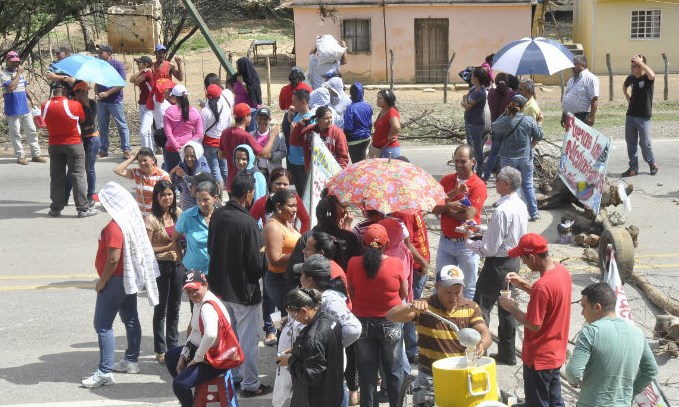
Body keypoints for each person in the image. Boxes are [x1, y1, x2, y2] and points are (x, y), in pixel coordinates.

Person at [82, 181, 159, 387]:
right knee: (130, 318)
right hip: (128, 278)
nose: (102, 205)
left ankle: (105, 371)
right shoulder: (128, 222)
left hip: (115, 280)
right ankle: (131, 361)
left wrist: (102, 282)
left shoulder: (114, 227)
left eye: (104, 202)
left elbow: (113, 259)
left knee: (102, 325)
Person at [387, 265, 492, 404]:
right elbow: (391, 316)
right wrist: (411, 306)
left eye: (457, 292)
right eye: (449, 292)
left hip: (461, 373)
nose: (454, 297)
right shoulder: (425, 307)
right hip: (431, 374)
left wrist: (481, 344)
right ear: (437, 286)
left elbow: (485, 333)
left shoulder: (471, 307)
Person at [207, 172, 272, 397]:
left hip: (221, 289)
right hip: (244, 292)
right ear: (248, 194)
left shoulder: (217, 216)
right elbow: (256, 263)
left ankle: (235, 377)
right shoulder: (248, 223)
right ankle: (250, 384)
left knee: (231, 336)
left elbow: (211, 247)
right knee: (248, 339)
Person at [499, 233, 572, 407]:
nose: (523, 263)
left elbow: (534, 324)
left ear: (532, 257)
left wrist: (511, 307)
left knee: (538, 403)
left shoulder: (542, 286)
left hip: (539, 358)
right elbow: (549, 299)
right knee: (555, 401)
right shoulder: (561, 272)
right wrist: (522, 284)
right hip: (555, 353)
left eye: (523, 258)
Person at [466, 166, 527, 365]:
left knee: (481, 306)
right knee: (507, 308)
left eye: (498, 179)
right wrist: (480, 228)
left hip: (497, 265)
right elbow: (502, 232)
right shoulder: (520, 205)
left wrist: (468, 240)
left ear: (507, 184)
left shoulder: (501, 211)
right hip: (513, 262)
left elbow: (489, 248)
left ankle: (478, 349)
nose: (495, 181)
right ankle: (508, 353)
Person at [565, 282, 658, 407]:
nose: (582, 313)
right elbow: (651, 370)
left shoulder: (591, 331)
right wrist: (631, 392)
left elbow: (573, 373)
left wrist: (574, 381)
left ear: (597, 307)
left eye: (584, 307)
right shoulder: (637, 332)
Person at [346, 223, 407, 407]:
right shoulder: (396, 264)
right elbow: (403, 294)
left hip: (362, 323)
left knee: (366, 372)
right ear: (386, 242)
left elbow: (352, 292)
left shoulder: (353, 263)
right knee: (394, 370)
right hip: (391, 322)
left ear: (363, 243)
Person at [165, 271, 234, 407]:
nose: (192, 295)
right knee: (171, 356)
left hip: (215, 359)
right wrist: (183, 355)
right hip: (205, 352)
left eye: (195, 290)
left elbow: (210, 335)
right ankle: (190, 397)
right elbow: (195, 332)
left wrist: (196, 358)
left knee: (179, 385)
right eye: (188, 292)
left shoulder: (207, 306)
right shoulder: (201, 301)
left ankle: (189, 402)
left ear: (205, 285)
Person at [432, 145, 487, 299]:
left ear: (473, 162)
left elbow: (468, 216)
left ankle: (465, 321)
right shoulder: (447, 180)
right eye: (456, 161)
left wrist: (444, 209)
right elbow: (434, 207)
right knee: (440, 284)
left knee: (468, 287)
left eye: (463, 161)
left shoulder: (478, 185)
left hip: (467, 244)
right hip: (445, 242)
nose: (459, 165)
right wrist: (450, 203)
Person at [276, 288, 344, 406]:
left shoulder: (313, 337)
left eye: (293, 315)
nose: (293, 319)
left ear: (304, 311)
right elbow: (325, 351)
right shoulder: (332, 320)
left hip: (315, 400)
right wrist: (297, 349)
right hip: (333, 391)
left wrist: (290, 360)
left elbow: (310, 376)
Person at [43, 82, 98, 218]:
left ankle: (56, 208)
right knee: (78, 174)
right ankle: (82, 209)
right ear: (67, 92)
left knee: (56, 176)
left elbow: (42, 122)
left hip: (54, 144)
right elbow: (84, 120)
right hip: (73, 143)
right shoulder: (74, 105)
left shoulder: (45, 105)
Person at [146, 180, 183, 364]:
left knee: (175, 308)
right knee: (161, 309)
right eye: (163, 195)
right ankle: (160, 349)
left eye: (169, 194)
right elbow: (147, 248)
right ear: (157, 197)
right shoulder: (151, 219)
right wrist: (169, 246)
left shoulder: (178, 213)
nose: (167, 198)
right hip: (160, 266)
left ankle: (173, 346)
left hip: (177, 265)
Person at [493, 94, 543, 222]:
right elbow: (539, 134)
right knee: (527, 185)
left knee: (508, 187)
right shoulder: (529, 120)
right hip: (525, 157)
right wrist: (540, 122)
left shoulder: (505, 120)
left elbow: (494, 126)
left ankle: (510, 214)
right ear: (523, 107)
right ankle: (534, 213)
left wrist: (503, 114)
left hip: (508, 158)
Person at [219, 102, 276, 191]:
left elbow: (221, 155)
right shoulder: (246, 136)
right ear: (246, 117)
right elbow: (264, 154)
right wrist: (272, 136)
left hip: (231, 182)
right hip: (245, 183)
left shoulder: (225, 132)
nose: (251, 118)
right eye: (250, 115)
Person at [263, 190, 301, 320]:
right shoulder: (273, 227)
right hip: (280, 281)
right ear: (278, 207)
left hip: (292, 277)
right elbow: (275, 260)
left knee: (293, 319)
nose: (295, 209)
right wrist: (300, 253)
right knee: (289, 319)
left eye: (296, 205)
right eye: (291, 206)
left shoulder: (287, 222)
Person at [2, 50, 45, 165]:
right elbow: (11, 87)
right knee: (16, 133)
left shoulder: (19, 73)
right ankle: (20, 156)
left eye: (17, 61)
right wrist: (18, 74)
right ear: (7, 61)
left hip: (25, 108)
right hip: (12, 110)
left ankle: (36, 154)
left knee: (32, 131)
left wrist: (31, 99)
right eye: (13, 62)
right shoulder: (4, 74)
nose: (15, 64)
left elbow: (24, 87)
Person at [173, 180, 220, 276]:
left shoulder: (222, 216)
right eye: (198, 200)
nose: (202, 203)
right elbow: (175, 239)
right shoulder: (187, 216)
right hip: (193, 271)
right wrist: (182, 260)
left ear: (215, 198)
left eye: (206, 200)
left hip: (217, 270)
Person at [622, 54, 658, 177]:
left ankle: (652, 163)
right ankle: (633, 168)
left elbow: (652, 75)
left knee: (645, 143)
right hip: (630, 115)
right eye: (631, 66)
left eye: (634, 66)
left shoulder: (647, 78)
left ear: (642, 67)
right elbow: (624, 86)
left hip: (644, 117)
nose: (631, 68)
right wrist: (628, 98)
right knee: (631, 143)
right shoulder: (631, 78)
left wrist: (641, 62)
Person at [65, 81, 100, 208]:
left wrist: (85, 107)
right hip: (77, 140)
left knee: (89, 168)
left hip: (91, 138)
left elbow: (89, 125)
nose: (85, 94)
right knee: (72, 169)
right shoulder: (70, 104)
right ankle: (65, 196)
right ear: (76, 92)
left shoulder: (91, 103)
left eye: (86, 92)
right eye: (82, 92)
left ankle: (90, 195)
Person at [94, 44, 131, 159]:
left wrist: (108, 93)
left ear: (108, 54)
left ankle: (126, 149)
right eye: (99, 53)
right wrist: (96, 93)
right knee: (102, 126)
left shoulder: (117, 65)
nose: (99, 55)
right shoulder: (99, 66)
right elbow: (97, 82)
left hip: (114, 101)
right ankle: (103, 149)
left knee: (121, 125)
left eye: (101, 53)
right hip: (101, 102)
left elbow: (121, 83)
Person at [250, 167, 310, 233]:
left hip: (292, 241)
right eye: (278, 183)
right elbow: (250, 224)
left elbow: (306, 220)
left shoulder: (294, 199)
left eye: (285, 184)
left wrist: (302, 240)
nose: (282, 187)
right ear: (271, 183)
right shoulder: (262, 202)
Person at [113, 148, 171, 216]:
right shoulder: (137, 172)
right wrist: (133, 158)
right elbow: (117, 170)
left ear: (153, 160)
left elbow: (169, 197)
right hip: (139, 216)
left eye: (145, 160)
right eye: (139, 160)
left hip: (156, 215)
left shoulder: (162, 175)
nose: (142, 163)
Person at [483, 72, 517, 181]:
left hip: (496, 126)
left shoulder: (491, 94)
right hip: (507, 127)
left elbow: (493, 89)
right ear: (507, 83)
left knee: (493, 153)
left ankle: (487, 176)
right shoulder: (512, 95)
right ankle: (501, 177)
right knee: (505, 154)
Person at [297, 105, 350, 173]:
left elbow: (343, 157)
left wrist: (338, 173)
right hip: (312, 174)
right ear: (318, 120)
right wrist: (299, 126)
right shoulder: (308, 132)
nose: (330, 120)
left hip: (331, 174)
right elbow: (294, 142)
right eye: (326, 118)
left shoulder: (338, 133)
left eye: (331, 117)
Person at [163, 84, 203, 171]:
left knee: (171, 176)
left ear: (175, 97)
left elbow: (168, 134)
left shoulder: (169, 111)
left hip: (171, 149)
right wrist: (188, 145)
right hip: (189, 150)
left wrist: (178, 147)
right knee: (189, 176)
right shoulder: (195, 112)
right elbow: (199, 133)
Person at [200, 82, 232, 186]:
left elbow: (202, 130)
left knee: (214, 169)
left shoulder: (204, 111)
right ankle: (230, 189)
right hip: (222, 142)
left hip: (209, 143)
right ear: (219, 96)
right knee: (224, 168)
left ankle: (219, 192)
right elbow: (228, 126)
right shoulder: (226, 109)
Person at [462, 67, 491, 174]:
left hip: (476, 123)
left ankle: (479, 171)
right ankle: (472, 169)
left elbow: (467, 106)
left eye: (473, 75)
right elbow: (465, 104)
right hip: (469, 121)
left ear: (478, 78)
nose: (471, 77)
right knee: (470, 146)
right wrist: (465, 102)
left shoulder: (480, 92)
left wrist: (465, 100)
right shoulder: (473, 89)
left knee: (477, 148)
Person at [286, 89, 314, 194]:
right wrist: (289, 117)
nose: (292, 104)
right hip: (293, 160)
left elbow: (307, 142)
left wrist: (294, 132)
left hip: (303, 163)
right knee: (298, 191)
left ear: (303, 102)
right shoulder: (298, 115)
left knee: (305, 193)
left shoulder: (310, 119)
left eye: (294, 102)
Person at [170, 141, 212, 211]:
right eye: (186, 156)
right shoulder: (182, 165)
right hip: (185, 206)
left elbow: (194, 193)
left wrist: (184, 176)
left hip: (200, 207)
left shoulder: (203, 170)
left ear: (197, 155)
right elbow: (172, 183)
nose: (189, 159)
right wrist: (172, 172)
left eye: (192, 156)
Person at [279, 67, 313, 149]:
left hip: (288, 118)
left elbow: (282, 106)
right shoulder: (307, 89)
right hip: (304, 118)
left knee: (289, 145)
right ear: (302, 76)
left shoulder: (284, 89)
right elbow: (311, 105)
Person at [561, 55, 599, 127]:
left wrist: (592, 117)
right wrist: (563, 115)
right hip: (569, 115)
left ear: (582, 65)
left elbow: (594, 99)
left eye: (575, 64)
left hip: (582, 116)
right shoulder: (571, 79)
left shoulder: (591, 78)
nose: (572, 67)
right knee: (570, 138)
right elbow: (567, 97)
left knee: (579, 138)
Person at [251, 106, 287, 177]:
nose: (262, 121)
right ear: (256, 119)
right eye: (260, 119)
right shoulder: (251, 135)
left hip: (273, 171)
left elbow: (283, 152)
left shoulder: (278, 136)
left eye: (265, 119)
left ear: (269, 120)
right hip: (257, 171)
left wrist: (271, 156)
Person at [229, 57, 262, 133]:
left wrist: (242, 83)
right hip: (240, 111)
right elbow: (230, 83)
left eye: (238, 68)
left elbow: (252, 92)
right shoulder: (237, 76)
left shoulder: (252, 77)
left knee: (251, 132)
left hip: (251, 111)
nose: (237, 70)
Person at [129, 55, 155, 150]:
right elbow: (131, 79)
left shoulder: (147, 72)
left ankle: (145, 151)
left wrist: (143, 71)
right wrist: (141, 71)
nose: (137, 64)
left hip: (148, 104)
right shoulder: (144, 72)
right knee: (147, 130)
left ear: (145, 64)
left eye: (139, 63)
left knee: (144, 131)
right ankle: (150, 150)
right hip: (144, 103)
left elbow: (136, 82)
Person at [343, 82, 373, 163]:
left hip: (355, 141)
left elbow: (348, 128)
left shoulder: (350, 108)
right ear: (363, 92)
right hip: (367, 138)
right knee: (364, 163)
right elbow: (370, 124)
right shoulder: (368, 106)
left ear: (351, 93)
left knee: (357, 166)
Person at [371, 89, 402, 159]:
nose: (377, 100)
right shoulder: (383, 110)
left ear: (387, 100)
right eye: (377, 98)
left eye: (380, 98)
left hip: (388, 150)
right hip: (380, 149)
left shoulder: (391, 112)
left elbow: (396, 127)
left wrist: (390, 136)